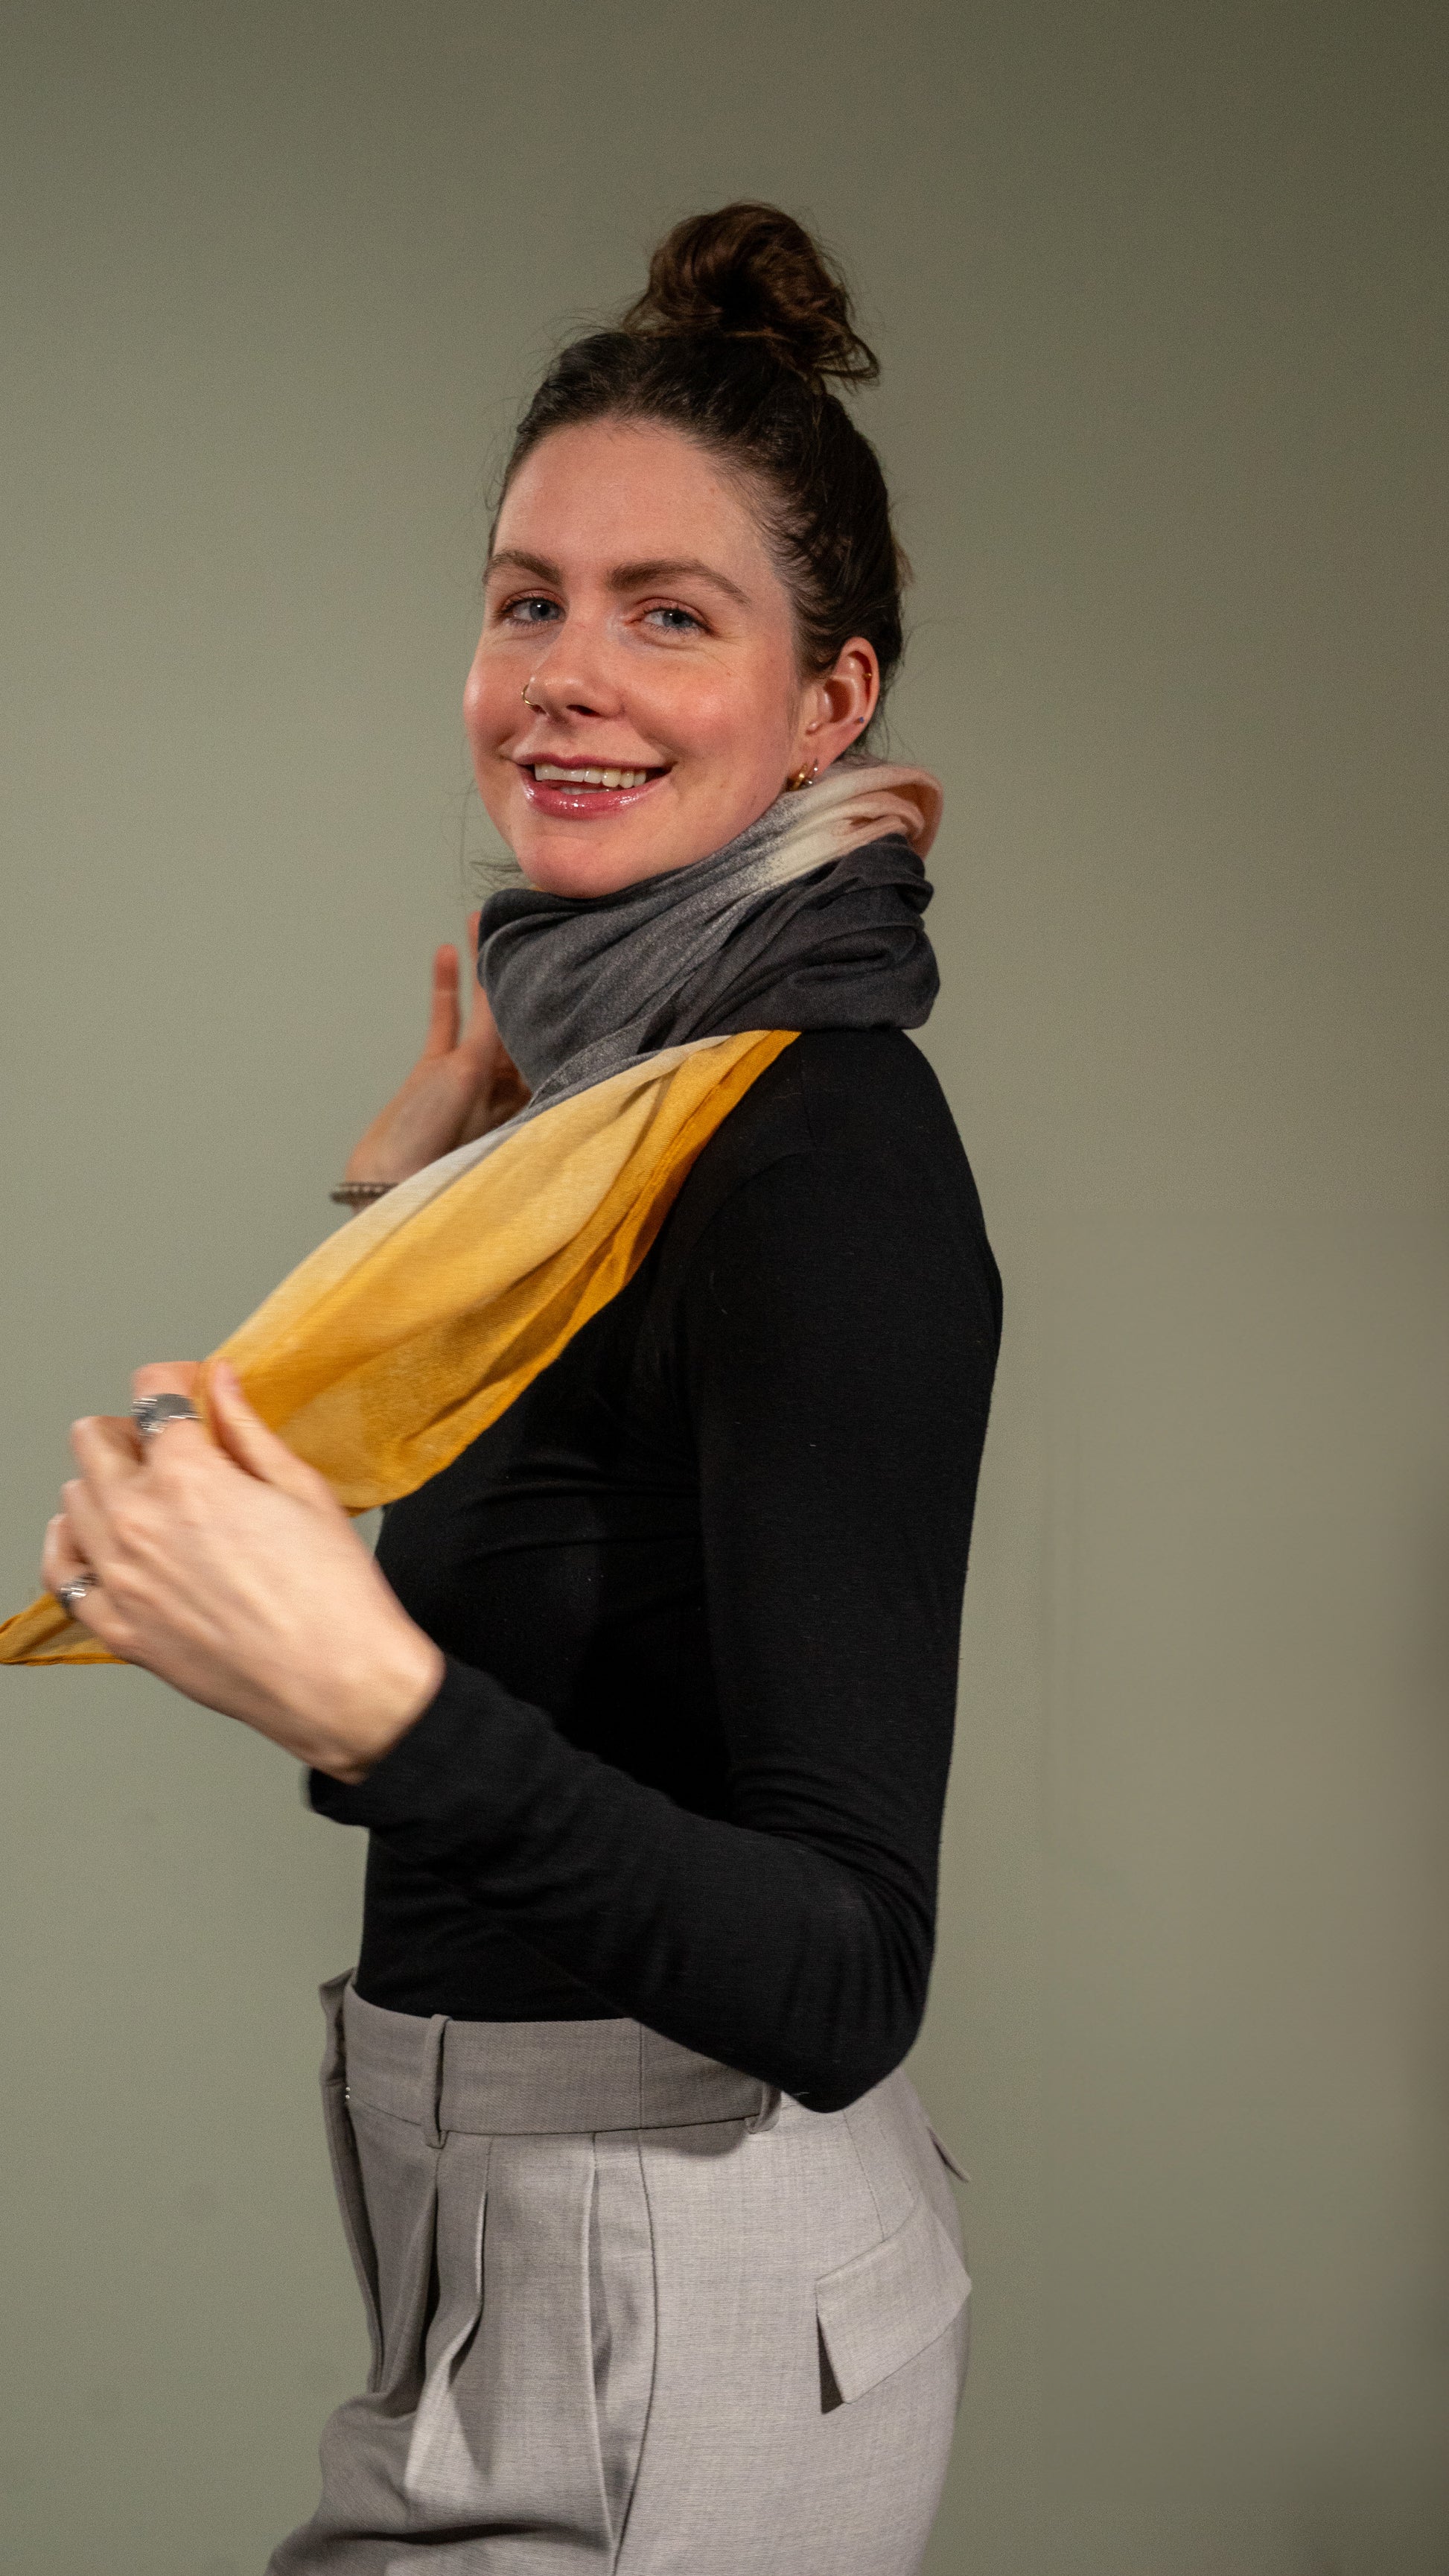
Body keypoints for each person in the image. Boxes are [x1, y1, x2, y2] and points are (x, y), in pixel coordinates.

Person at [36, 204, 1001, 2572]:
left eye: (671, 614)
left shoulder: (813, 1149)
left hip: (681, 2279)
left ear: (830, 704)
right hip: (503, 2243)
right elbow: (581, 1631)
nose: (562, 677)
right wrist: (406, 1222)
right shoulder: (602, 1124)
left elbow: (841, 1966)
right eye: (525, 597)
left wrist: (362, 1692)